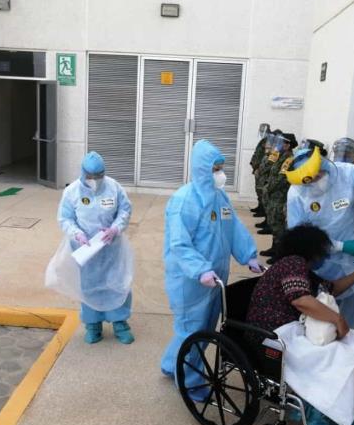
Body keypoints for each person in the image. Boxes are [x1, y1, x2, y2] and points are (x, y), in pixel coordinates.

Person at [246, 224, 354, 425]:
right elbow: (300, 300)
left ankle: (338, 414)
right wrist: (337, 319)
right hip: (271, 334)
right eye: (323, 251)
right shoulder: (292, 263)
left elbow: (331, 289)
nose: (325, 256)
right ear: (312, 249)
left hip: (290, 330)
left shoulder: (303, 270)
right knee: (330, 357)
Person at [160, 139, 262, 397]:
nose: (220, 173)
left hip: (215, 278)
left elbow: (234, 227)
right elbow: (179, 245)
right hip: (191, 281)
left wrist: (248, 255)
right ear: (202, 168)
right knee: (191, 330)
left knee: (204, 329)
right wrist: (200, 270)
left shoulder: (220, 197)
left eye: (221, 167)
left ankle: (172, 364)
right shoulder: (184, 201)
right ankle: (191, 383)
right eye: (216, 168)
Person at [285, 140, 354, 298]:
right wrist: (340, 246)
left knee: (347, 301)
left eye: (318, 176)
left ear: (323, 165)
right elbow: (299, 237)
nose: (316, 183)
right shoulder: (296, 194)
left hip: (350, 260)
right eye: (310, 182)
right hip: (318, 258)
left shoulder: (348, 173)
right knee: (320, 302)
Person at [58, 151, 135, 344]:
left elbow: (125, 210)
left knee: (117, 283)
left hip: (112, 248)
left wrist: (116, 228)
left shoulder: (114, 187)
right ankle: (93, 325)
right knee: (89, 285)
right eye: (90, 176)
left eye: (99, 176)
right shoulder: (72, 192)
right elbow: (65, 218)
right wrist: (77, 233)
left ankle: (120, 323)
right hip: (86, 249)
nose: (94, 180)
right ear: (83, 173)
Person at [262, 132, 298, 264]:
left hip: (280, 196)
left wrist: (269, 188)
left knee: (279, 225)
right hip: (273, 195)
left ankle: (279, 254)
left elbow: (281, 179)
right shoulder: (280, 156)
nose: (279, 145)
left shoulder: (289, 159)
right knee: (273, 222)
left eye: (282, 143)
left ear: (288, 145)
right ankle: (274, 248)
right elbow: (267, 169)